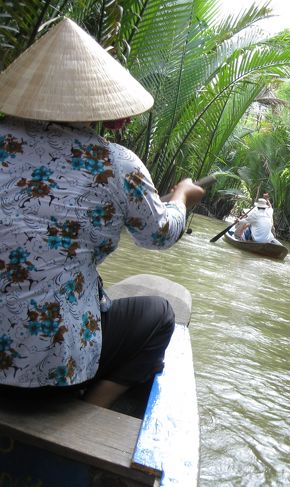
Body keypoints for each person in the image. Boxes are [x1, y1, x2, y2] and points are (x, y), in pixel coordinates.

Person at [0, 18, 205, 408]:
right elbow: (159, 233)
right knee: (160, 315)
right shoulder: (116, 165)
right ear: (99, 104)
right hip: (48, 377)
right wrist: (181, 196)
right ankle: (86, 413)